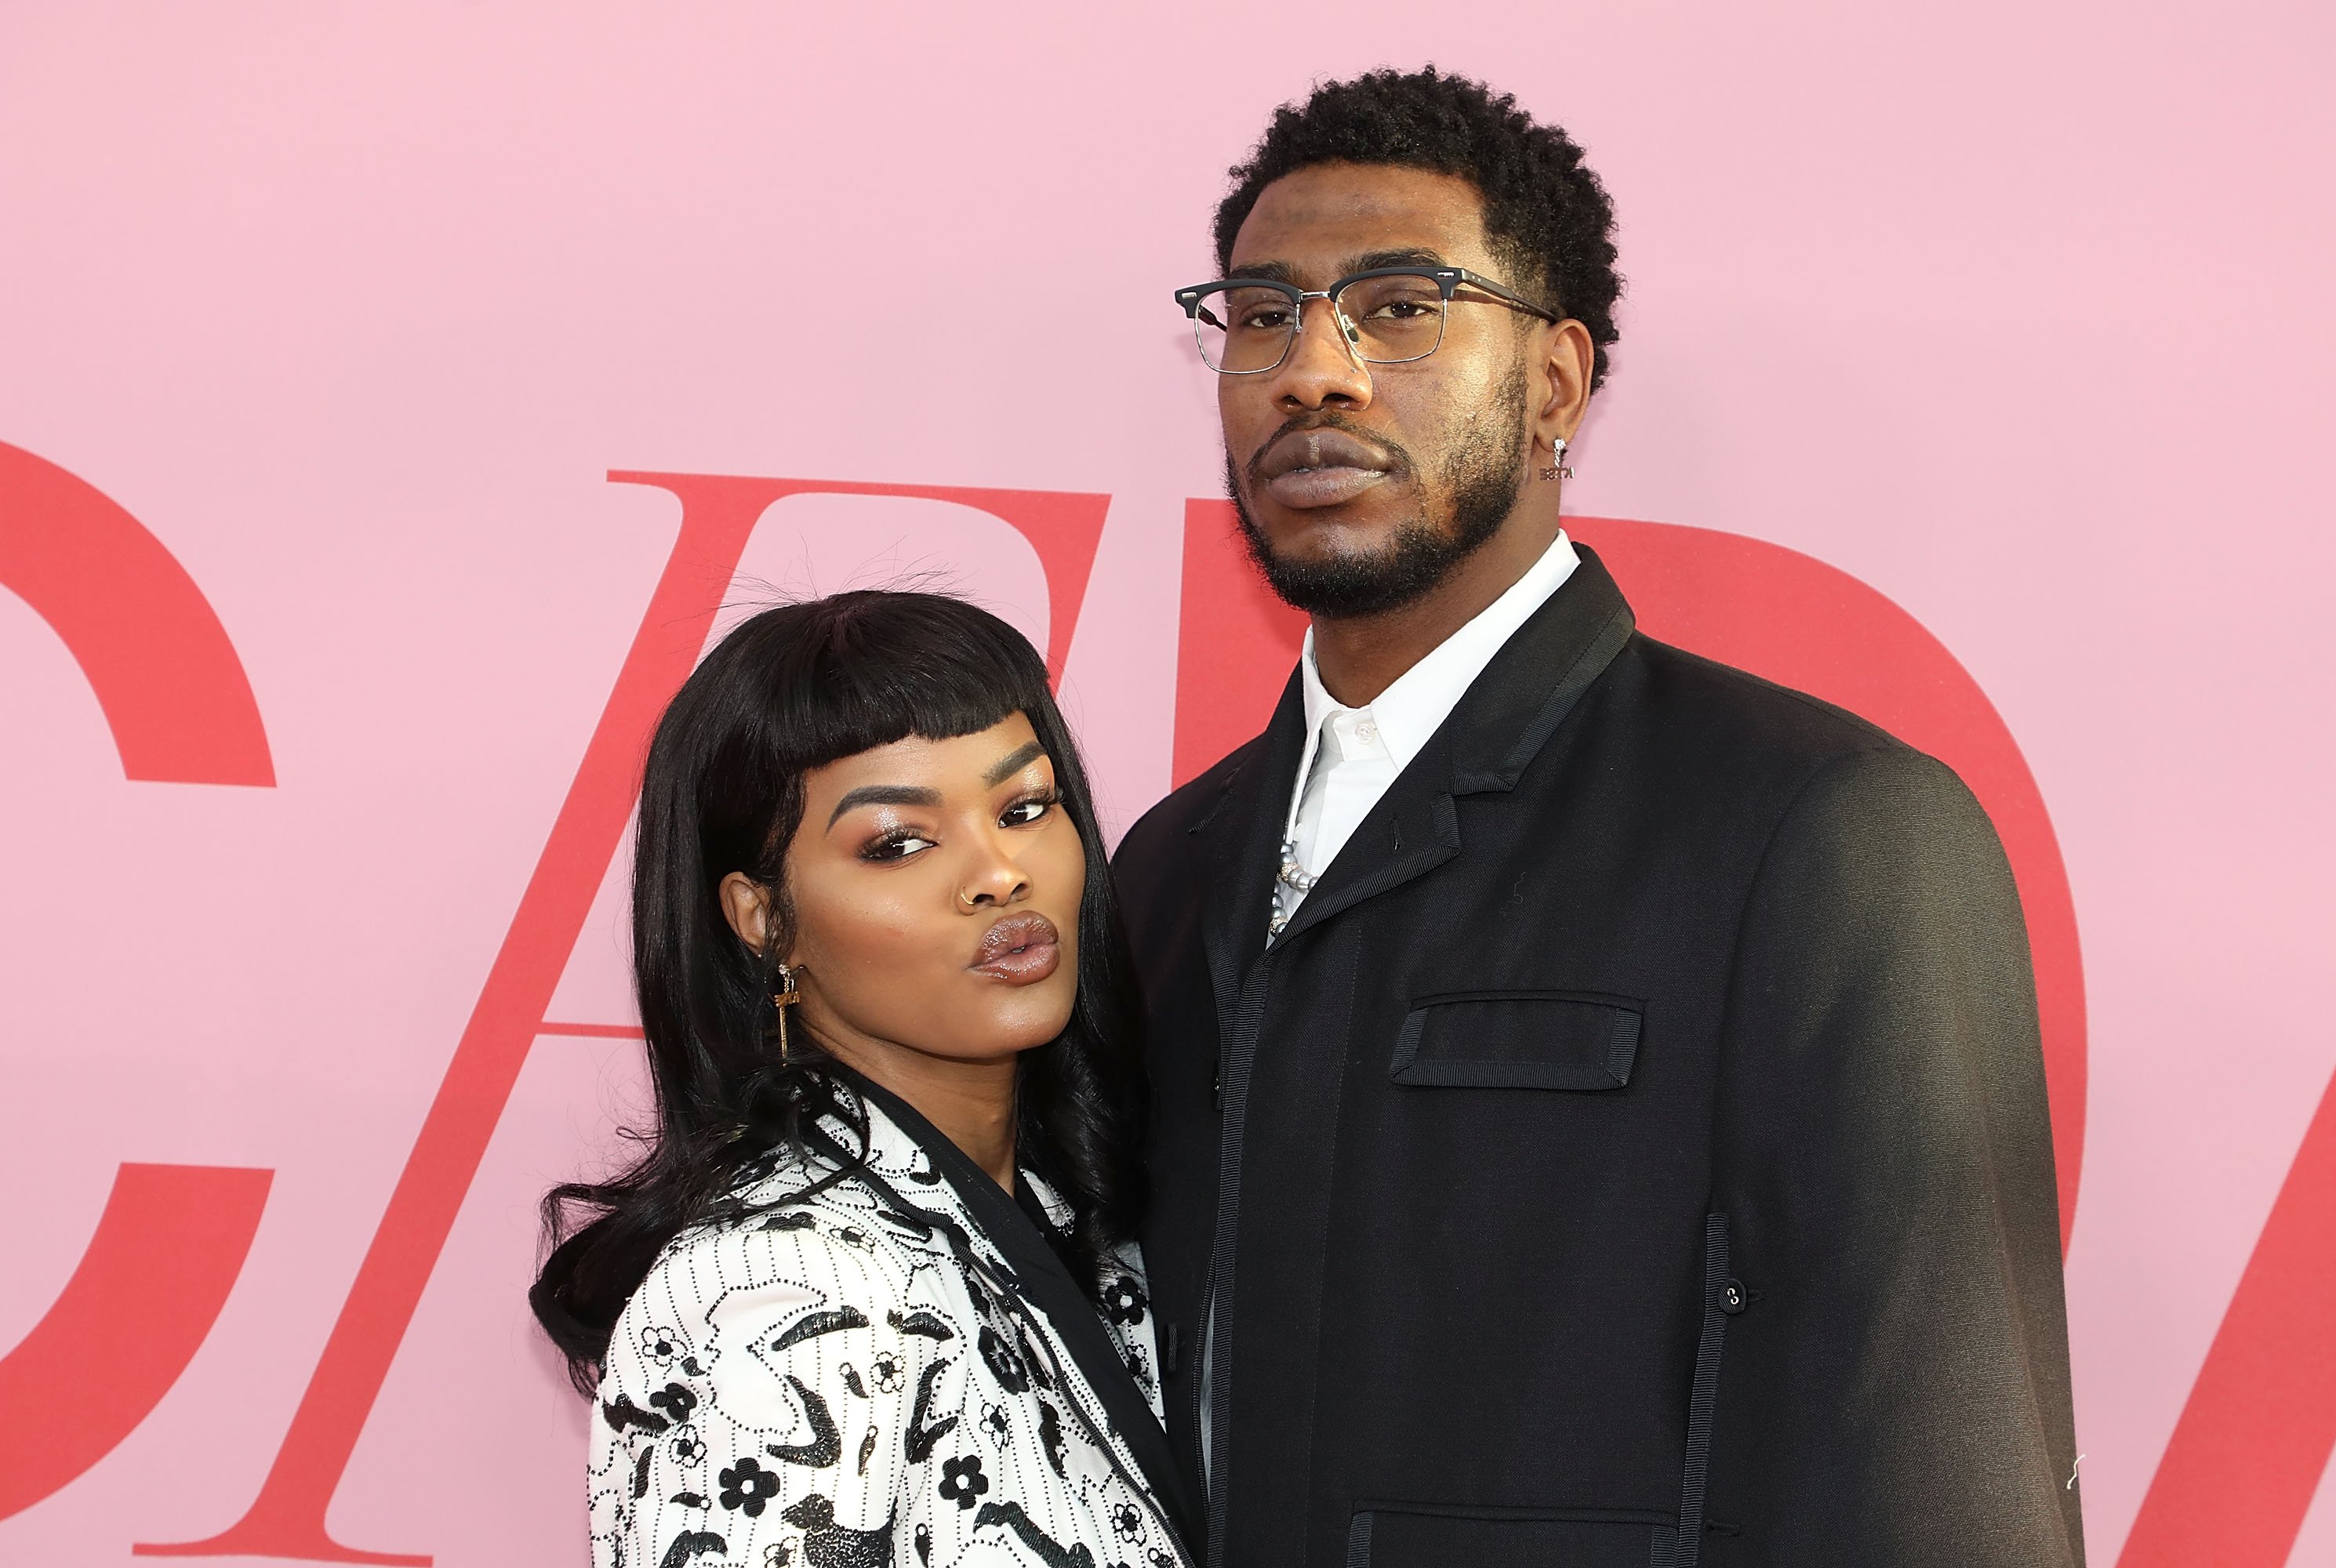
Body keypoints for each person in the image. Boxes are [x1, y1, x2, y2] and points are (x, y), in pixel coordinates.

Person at [1115, 67, 2084, 1567]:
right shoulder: (1167, 872)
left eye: (1401, 306)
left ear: (1557, 382)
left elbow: (1945, 1487)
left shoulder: (1821, 833)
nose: (1316, 370)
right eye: (1261, 315)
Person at [533, 593, 1197, 1568]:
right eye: (898, 841)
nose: (1000, 871)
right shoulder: (781, 1290)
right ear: (765, 919)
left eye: (1023, 808)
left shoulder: (1076, 1220)